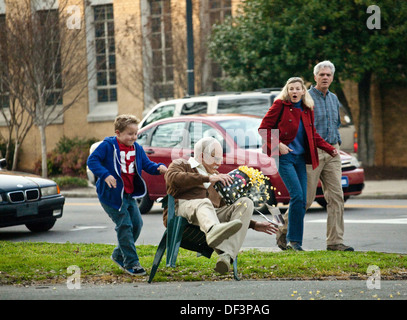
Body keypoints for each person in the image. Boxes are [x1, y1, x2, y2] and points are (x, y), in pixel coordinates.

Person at [164, 137, 278, 274]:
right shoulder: (181, 164)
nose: (220, 162)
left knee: (246, 202)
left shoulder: (217, 177)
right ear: (201, 156)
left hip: (210, 215)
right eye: (215, 158)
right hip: (182, 211)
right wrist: (207, 178)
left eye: (220, 158)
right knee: (204, 202)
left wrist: (253, 224)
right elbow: (172, 178)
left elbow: (225, 207)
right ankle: (213, 230)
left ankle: (226, 255)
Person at [258, 77, 337, 251]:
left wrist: (329, 148)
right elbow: (263, 128)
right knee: (298, 196)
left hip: (301, 158)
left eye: (297, 89)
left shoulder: (308, 109)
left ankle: (295, 242)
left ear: (303, 91)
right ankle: (293, 241)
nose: (294, 91)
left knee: (302, 201)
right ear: (287, 91)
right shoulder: (280, 105)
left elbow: (312, 134)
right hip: (284, 157)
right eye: (291, 88)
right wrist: (278, 144)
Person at [87, 114, 167, 276]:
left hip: (129, 195)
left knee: (137, 225)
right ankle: (131, 262)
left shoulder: (136, 148)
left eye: (136, 133)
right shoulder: (108, 146)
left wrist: (159, 167)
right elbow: (92, 161)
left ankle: (118, 255)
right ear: (118, 133)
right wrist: (105, 174)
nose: (134, 137)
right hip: (112, 196)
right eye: (130, 134)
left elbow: (147, 165)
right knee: (124, 225)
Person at [306, 60, 354, 251]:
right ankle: (285, 233)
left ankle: (335, 242)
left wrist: (337, 144)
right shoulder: (306, 98)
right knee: (306, 198)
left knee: (336, 197)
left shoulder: (334, 98)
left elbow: (335, 124)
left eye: (328, 75)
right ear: (315, 77)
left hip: (332, 152)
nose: (325, 77)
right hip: (314, 151)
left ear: (332, 77)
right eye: (322, 74)